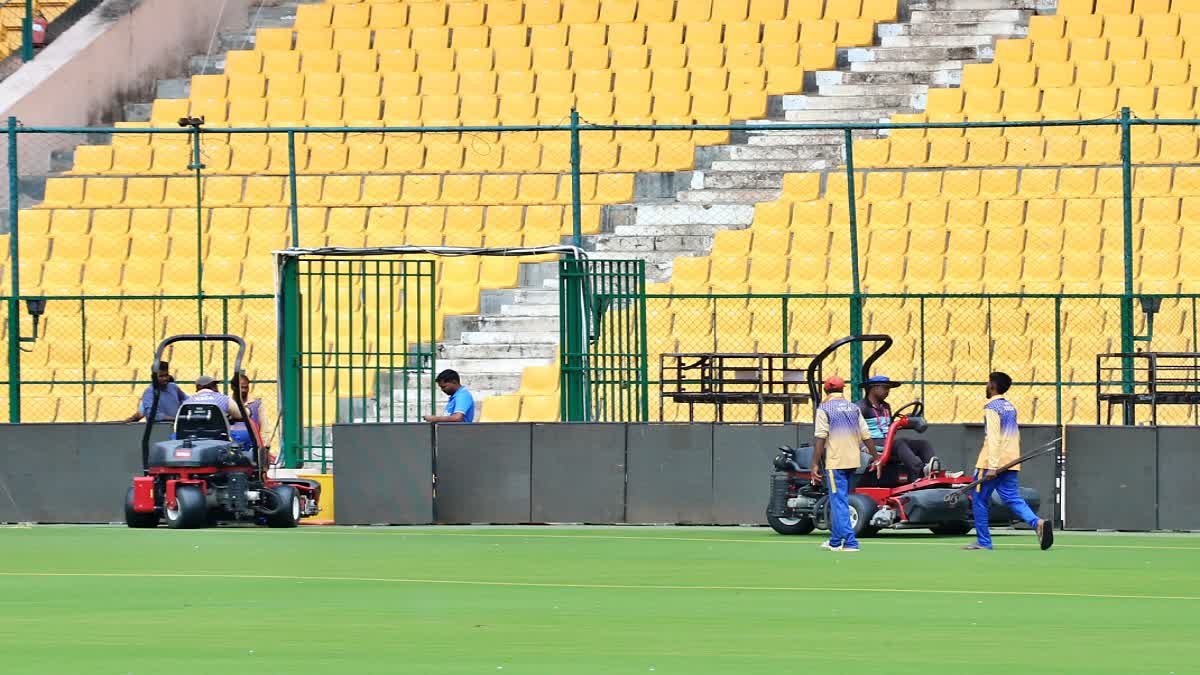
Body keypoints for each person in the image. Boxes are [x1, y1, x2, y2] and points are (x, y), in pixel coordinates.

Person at [964, 371, 1053, 551]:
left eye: (988, 382)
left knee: (979, 499)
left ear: (993, 386)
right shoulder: (1010, 407)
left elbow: (994, 438)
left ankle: (984, 542)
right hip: (1011, 460)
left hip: (991, 462)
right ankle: (1037, 523)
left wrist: (993, 466)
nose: (987, 385)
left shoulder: (991, 407)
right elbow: (1015, 435)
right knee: (1012, 498)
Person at [809, 375, 879, 552]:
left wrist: (815, 464)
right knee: (841, 499)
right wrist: (876, 457)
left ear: (826, 389)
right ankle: (834, 540)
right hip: (853, 461)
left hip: (836, 461)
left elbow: (820, 437)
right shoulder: (853, 407)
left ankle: (850, 542)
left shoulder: (824, 408)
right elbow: (866, 435)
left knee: (839, 502)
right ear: (842, 390)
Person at [857, 375, 940, 483]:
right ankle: (920, 471)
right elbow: (853, 430)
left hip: (887, 441)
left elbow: (889, 426)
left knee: (922, 444)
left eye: (889, 389)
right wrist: (863, 446)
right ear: (874, 388)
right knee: (899, 443)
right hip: (873, 443)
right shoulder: (861, 407)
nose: (888, 391)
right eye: (885, 388)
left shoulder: (886, 407)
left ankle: (934, 472)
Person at [230, 373, 267, 452]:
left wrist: (265, 446)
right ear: (232, 387)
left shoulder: (256, 404)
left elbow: (264, 428)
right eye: (241, 387)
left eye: (246, 387)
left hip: (252, 448)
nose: (244, 390)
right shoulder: (227, 404)